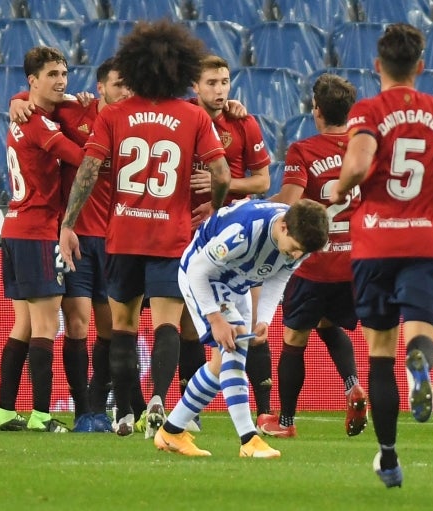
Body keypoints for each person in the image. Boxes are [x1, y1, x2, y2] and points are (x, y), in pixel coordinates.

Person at [58, 20, 231, 441]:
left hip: (124, 235)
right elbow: (221, 172)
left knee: (122, 327)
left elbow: (88, 169)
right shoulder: (192, 116)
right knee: (168, 325)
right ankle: (158, 400)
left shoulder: (115, 114)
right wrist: (215, 205)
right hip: (170, 236)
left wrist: (68, 223)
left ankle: (122, 414)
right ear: (179, 70)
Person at [330, 23, 433, 488]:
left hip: (375, 243)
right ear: (420, 67)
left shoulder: (369, 110)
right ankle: (421, 365)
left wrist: (340, 188)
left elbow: (356, 165)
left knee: (379, 354)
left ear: (378, 66)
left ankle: (389, 458)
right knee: (420, 333)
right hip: (424, 243)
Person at [9, 59, 145, 434]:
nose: (126, 93)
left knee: (110, 329)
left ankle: (102, 406)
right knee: (78, 326)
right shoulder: (74, 111)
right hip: (77, 236)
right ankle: (84, 410)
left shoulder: (139, 122)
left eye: (131, 87)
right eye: (120, 85)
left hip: (118, 237)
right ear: (101, 87)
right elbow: (36, 102)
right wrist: (17, 99)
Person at [154, 198, 329, 458]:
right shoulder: (244, 232)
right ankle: (249, 439)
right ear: (283, 227)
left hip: (238, 283)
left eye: (302, 252)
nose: (296, 255)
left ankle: (171, 431)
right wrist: (215, 319)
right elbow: (198, 270)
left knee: (218, 367)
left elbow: (280, 276)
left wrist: (264, 319)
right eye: (294, 248)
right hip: (204, 277)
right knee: (233, 352)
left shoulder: (299, 238)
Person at [262, 74, 367, 438]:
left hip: (313, 263)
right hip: (354, 263)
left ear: (316, 111)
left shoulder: (304, 150)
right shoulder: (366, 149)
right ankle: (352, 384)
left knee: (294, 339)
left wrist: (255, 205)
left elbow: (290, 201)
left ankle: (286, 422)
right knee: (328, 323)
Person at [0, 46, 85, 433]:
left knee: (24, 326)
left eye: (64, 73)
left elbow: (26, 105)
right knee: (46, 324)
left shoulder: (23, 115)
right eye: (52, 75)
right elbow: (81, 157)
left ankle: (3, 411)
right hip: (37, 229)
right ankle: (42, 416)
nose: (61, 81)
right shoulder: (40, 125)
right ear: (33, 80)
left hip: (14, 227)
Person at [179, 54, 273, 432]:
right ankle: (193, 412)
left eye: (225, 82)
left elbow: (263, 182)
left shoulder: (243, 122)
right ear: (195, 86)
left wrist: (224, 184)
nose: (220, 90)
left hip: (237, 239)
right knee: (190, 325)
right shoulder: (182, 117)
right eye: (212, 83)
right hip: (189, 233)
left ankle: (264, 414)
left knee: (248, 324)